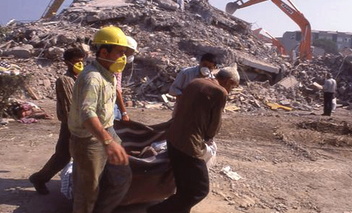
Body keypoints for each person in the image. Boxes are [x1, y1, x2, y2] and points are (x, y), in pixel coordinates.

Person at [147, 65, 240, 213]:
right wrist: (208, 137)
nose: (230, 91)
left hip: (172, 138)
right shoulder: (220, 92)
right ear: (228, 81)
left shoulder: (196, 81)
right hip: (189, 146)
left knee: (184, 189)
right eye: (232, 87)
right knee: (199, 190)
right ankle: (156, 210)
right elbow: (213, 128)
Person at [68, 26, 133, 213]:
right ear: (104, 52)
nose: (124, 57)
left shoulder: (108, 74)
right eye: (120, 52)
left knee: (122, 175)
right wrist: (107, 142)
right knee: (87, 192)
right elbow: (87, 114)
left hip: (107, 130)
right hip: (88, 140)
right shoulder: (92, 78)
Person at [29, 47, 85, 195]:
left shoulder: (81, 78)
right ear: (67, 63)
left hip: (82, 123)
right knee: (62, 157)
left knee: (67, 156)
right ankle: (39, 178)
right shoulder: (65, 80)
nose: (80, 64)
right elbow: (69, 108)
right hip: (71, 125)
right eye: (76, 62)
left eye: (81, 61)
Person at [114, 36, 138, 121]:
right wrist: (124, 112)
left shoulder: (118, 65)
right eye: (131, 52)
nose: (132, 55)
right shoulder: (115, 66)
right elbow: (116, 90)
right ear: (124, 49)